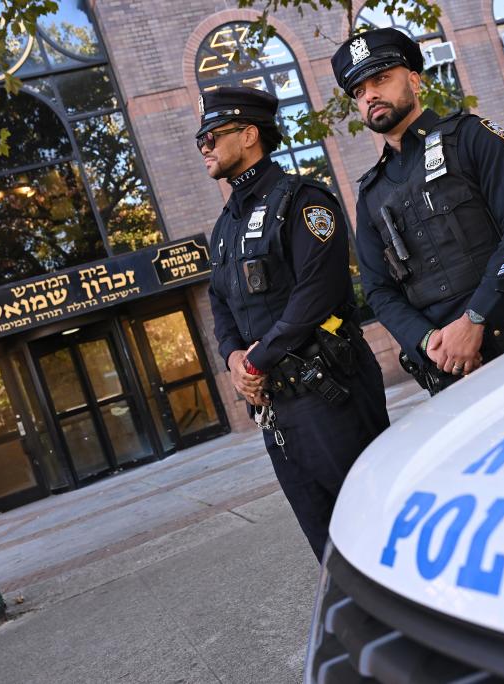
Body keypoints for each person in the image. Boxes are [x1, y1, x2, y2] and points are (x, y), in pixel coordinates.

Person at [199, 86, 389, 559]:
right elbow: (219, 301)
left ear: (249, 136)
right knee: (325, 542)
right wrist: (232, 358)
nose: (204, 147)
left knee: (371, 525)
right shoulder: (225, 227)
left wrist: (256, 362)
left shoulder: (303, 201)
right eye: (199, 141)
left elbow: (314, 296)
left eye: (213, 136)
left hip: (329, 394)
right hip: (277, 407)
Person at [331, 28, 504, 395]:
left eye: (381, 78)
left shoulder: (472, 137)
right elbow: (378, 291)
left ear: (414, 81)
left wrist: (476, 318)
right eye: (359, 91)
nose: (371, 96)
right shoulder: (371, 194)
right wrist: (428, 342)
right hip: (449, 370)